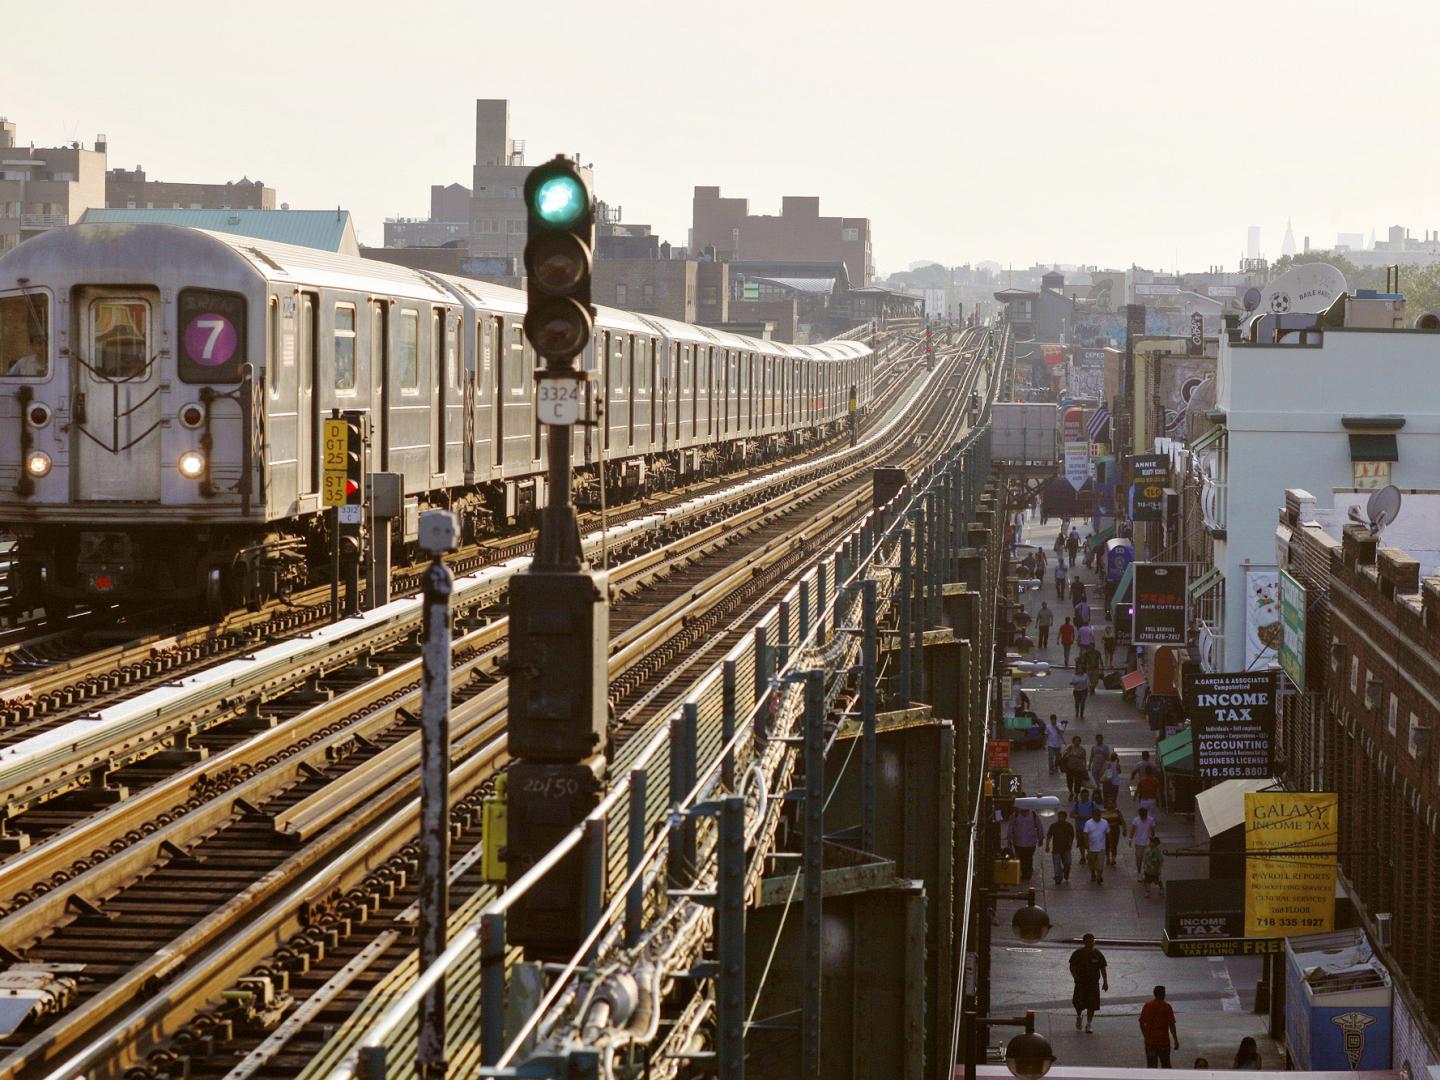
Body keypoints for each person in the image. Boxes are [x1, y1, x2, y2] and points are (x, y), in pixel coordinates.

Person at [1069, 933, 1108, 1033]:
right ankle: (1079, 1016)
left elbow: (1102, 968)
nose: (1091, 943)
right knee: (1078, 1004)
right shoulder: (1078, 954)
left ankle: (1089, 1024)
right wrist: (1075, 978)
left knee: (1092, 1005)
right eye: (1089, 941)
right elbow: (1072, 967)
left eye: (1093, 941)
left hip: (1093, 984)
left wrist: (1105, 982)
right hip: (1081, 983)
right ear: (1084, 942)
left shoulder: (1098, 954)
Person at [1139, 985, 1179, 1068]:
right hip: (1163, 1041)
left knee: (1152, 1066)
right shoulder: (1167, 1007)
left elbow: (1141, 1023)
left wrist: (1146, 1036)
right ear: (1163, 994)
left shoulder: (1148, 1006)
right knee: (1166, 1065)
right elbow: (1171, 1025)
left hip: (1150, 1042)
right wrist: (1175, 1040)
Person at [1009, 804, 1043, 882]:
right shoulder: (1015, 815)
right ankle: (1022, 873)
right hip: (1018, 842)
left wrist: (1040, 838)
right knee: (1020, 858)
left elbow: (1039, 826)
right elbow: (1011, 827)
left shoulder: (1033, 815)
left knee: (1028, 858)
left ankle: (1027, 874)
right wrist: (1009, 838)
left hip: (1030, 843)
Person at [1046, 809, 1075, 884]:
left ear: (1065, 818)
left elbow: (1072, 836)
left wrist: (1070, 844)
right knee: (1056, 864)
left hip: (1066, 848)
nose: (1061, 818)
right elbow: (1049, 836)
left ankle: (1066, 873)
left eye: (1063, 817)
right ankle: (1058, 877)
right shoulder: (1053, 826)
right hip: (1056, 848)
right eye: (1060, 817)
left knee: (1068, 863)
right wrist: (1047, 845)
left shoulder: (1069, 826)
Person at [1082, 807, 1110, 883]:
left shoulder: (1105, 822)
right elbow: (1085, 834)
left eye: (1098, 815)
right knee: (1092, 864)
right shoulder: (1088, 823)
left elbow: (1108, 834)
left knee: (1100, 864)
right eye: (1095, 815)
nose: (1097, 817)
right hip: (1091, 848)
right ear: (1093, 815)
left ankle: (1099, 876)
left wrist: (1108, 844)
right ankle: (1093, 873)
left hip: (1101, 847)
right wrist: (1086, 843)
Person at [1131, 805, 1158, 878]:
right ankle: (1139, 872)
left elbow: (1153, 831)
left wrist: (1152, 840)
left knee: (1147, 859)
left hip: (1147, 843)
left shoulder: (1150, 819)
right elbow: (1132, 830)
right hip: (1138, 843)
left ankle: (1146, 872)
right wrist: (1130, 839)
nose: (1143, 817)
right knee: (1139, 858)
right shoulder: (1136, 820)